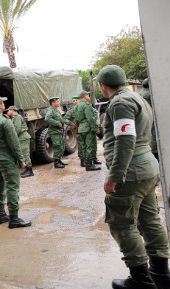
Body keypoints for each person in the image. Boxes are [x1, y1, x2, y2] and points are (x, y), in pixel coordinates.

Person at [98, 65, 170, 289]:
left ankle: (141, 280)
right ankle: (160, 274)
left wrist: (115, 175)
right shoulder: (137, 98)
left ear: (102, 85)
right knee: (150, 221)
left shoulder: (120, 103)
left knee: (122, 224)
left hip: (130, 173)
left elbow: (125, 140)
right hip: (147, 167)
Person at [0, 94, 32, 228]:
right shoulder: (5, 120)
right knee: (12, 186)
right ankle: (14, 218)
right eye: (2, 103)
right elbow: (14, 142)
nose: (4, 104)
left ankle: (1, 215)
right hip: (6, 157)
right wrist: (21, 160)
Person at [74, 91, 102, 171]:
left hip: (81, 128)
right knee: (90, 146)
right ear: (84, 96)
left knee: (84, 147)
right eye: (87, 95)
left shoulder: (76, 106)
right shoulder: (86, 105)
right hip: (88, 128)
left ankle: (87, 162)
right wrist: (95, 128)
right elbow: (90, 118)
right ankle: (89, 165)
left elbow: (76, 119)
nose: (88, 96)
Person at [7, 105, 34, 178]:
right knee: (22, 154)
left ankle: (29, 170)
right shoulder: (14, 118)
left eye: (8, 110)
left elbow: (17, 129)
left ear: (12, 110)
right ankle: (27, 169)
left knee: (25, 154)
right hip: (21, 138)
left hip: (22, 138)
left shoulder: (17, 117)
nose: (7, 112)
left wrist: (12, 138)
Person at [45, 97, 67, 168]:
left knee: (61, 146)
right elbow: (47, 118)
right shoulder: (51, 110)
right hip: (55, 131)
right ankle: (56, 163)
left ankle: (59, 160)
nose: (59, 103)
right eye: (57, 101)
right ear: (53, 103)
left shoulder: (56, 110)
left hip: (59, 131)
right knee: (57, 146)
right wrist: (57, 123)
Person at [139, 78, 158, 161]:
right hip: (153, 116)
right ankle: (155, 151)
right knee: (154, 134)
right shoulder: (150, 93)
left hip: (145, 117)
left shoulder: (140, 93)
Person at [64, 95, 83, 165]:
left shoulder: (85, 108)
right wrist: (72, 124)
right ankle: (82, 159)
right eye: (73, 101)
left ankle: (93, 158)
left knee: (90, 143)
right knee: (81, 144)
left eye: (76, 100)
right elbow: (65, 119)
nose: (75, 102)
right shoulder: (72, 111)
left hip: (87, 127)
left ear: (80, 100)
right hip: (79, 128)